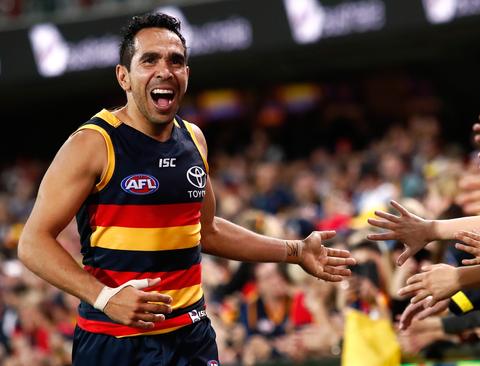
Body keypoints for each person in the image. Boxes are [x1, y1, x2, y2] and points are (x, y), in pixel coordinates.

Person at [16, 13, 356, 365]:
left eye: (175, 61)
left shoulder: (194, 139)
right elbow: (32, 243)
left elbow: (205, 230)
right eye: (149, 60)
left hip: (191, 336)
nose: (165, 70)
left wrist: (295, 250)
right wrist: (104, 298)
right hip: (115, 343)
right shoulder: (93, 144)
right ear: (124, 77)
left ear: (186, 76)